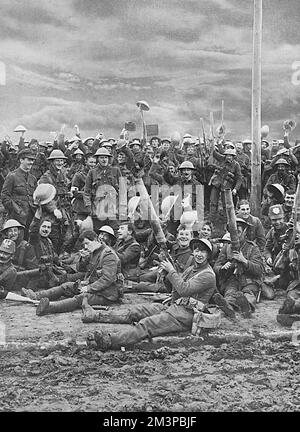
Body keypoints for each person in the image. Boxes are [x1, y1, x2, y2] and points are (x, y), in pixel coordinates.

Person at [83, 238, 216, 351]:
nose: (199, 254)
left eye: (203, 251)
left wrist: (171, 271)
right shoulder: (191, 269)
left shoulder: (208, 275)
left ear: (209, 255)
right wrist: (166, 276)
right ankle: (95, 315)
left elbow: (184, 290)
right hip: (175, 307)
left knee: (147, 324)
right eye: (197, 250)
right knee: (136, 311)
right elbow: (175, 292)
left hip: (186, 315)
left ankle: (110, 340)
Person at [22, 230, 122, 316]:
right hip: (94, 287)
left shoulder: (108, 255)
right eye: (84, 245)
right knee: (66, 286)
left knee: (81, 298)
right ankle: (35, 296)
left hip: (107, 294)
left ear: (97, 240)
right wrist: (83, 258)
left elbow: (107, 279)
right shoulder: (94, 252)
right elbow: (81, 269)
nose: (86, 247)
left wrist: (88, 288)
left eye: (87, 243)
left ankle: (49, 307)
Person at [213, 218, 264, 318]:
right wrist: (223, 268)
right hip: (232, 280)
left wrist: (244, 261)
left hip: (249, 281)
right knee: (229, 293)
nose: (235, 235)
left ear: (245, 232)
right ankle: (228, 308)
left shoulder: (253, 248)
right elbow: (216, 266)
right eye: (232, 232)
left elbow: (259, 270)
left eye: (238, 232)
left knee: (248, 294)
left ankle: (246, 307)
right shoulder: (227, 248)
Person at [39, 149, 74, 254]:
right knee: (53, 238)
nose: (60, 163)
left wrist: (68, 194)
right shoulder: (46, 177)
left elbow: (62, 191)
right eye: (57, 161)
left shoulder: (62, 175)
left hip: (64, 212)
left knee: (65, 238)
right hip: (51, 214)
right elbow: (43, 197)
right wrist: (54, 210)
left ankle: (58, 259)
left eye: (62, 161)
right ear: (52, 162)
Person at [1, 148, 37, 236]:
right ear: (21, 160)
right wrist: (16, 210)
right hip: (16, 217)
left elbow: (35, 196)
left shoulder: (33, 178)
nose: (31, 162)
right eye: (29, 159)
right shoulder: (12, 176)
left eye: (32, 160)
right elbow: (5, 196)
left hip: (30, 216)